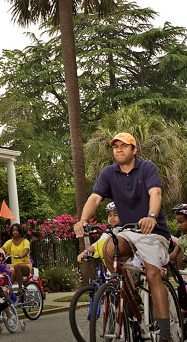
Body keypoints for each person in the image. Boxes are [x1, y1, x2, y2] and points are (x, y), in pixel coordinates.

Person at [74, 132, 174, 342]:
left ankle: (165, 334)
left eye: (124, 146)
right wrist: (83, 219)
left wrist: (152, 216)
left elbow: (155, 194)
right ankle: (131, 294)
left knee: (153, 273)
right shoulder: (109, 173)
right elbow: (95, 198)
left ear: (134, 149)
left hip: (152, 232)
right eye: (115, 146)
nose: (119, 149)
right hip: (128, 232)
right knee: (109, 248)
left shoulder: (147, 168)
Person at [3, 223, 31, 296]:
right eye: (13, 230)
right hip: (14, 267)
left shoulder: (25, 242)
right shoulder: (10, 242)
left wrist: (21, 256)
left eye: (16, 230)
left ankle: (20, 289)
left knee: (17, 266)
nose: (15, 232)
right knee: (7, 286)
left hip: (26, 265)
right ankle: (9, 303)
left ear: (20, 231)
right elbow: (2, 249)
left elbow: (26, 251)